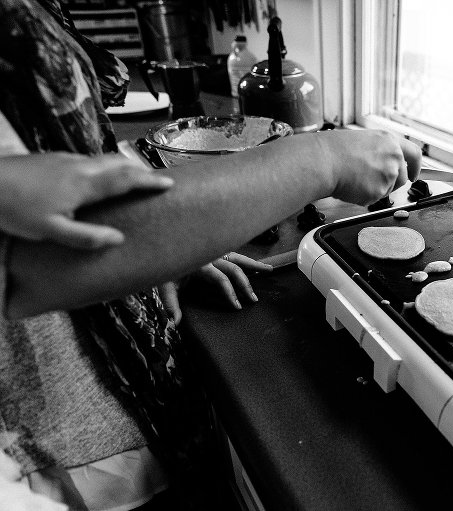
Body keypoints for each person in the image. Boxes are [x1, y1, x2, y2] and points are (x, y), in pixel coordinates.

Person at [0, 0, 421, 510]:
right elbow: (30, 265)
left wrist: (168, 245)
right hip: (59, 460)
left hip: (118, 419)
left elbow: (51, 203)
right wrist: (321, 160)